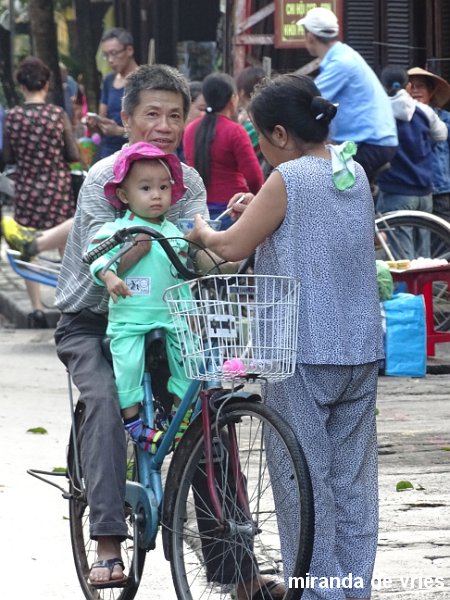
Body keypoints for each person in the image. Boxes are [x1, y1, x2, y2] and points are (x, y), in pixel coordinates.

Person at [53, 65, 276, 598]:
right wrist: (138, 251)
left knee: (209, 411)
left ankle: (236, 570)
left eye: (175, 115)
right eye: (151, 114)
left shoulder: (189, 181)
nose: (164, 125)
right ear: (126, 119)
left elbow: (195, 257)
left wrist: (234, 234)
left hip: (166, 317)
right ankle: (107, 541)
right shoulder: (101, 181)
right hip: (94, 322)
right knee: (105, 402)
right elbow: (96, 273)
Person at [187, 72, 384, 600]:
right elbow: (338, 236)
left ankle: (319, 592)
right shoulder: (352, 170)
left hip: (302, 349)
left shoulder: (290, 177)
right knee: (352, 482)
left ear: (278, 133)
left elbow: (227, 249)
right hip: (360, 345)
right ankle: (351, 589)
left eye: (257, 136)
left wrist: (202, 229)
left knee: (303, 484)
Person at [88, 142, 192, 455]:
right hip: (131, 317)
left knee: (192, 363)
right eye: (145, 188)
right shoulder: (118, 228)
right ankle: (133, 422)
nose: (156, 195)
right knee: (127, 366)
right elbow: (96, 259)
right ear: (124, 195)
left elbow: (188, 262)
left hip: (174, 315)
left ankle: (178, 418)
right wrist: (110, 275)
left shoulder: (174, 229)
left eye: (163, 187)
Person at [3, 56, 80, 327]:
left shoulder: (12, 116)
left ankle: (36, 309)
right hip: (56, 187)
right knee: (64, 244)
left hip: (26, 187)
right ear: (46, 84)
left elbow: (7, 156)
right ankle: (68, 301)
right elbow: (72, 153)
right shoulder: (57, 115)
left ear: (21, 86)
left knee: (28, 246)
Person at [297, 6, 398, 183]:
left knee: (322, 186)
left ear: (310, 37)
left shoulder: (341, 64)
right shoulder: (346, 56)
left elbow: (307, 98)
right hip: (375, 142)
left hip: (370, 145)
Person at [376, 66, 448, 259]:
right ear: (407, 86)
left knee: (402, 256)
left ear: (383, 87)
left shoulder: (378, 112)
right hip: (424, 192)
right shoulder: (425, 111)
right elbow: (441, 135)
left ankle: (407, 290)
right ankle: (424, 289)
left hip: (396, 191)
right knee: (423, 255)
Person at [183, 72, 264, 228]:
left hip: (199, 210)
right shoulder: (235, 131)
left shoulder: (190, 129)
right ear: (233, 98)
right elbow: (254, 176)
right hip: (233, 209)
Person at [87, 28, 138, 161]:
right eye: (106, 55)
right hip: (108, 152)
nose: (110, 60)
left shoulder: (143, 80)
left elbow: (149, 126)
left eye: (114, 53)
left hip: (134, 151)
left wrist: (120, 132)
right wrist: (95, 124)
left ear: (129, 51)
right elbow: (103, 116)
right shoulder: (109, 80)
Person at [408, 66, 450, 222]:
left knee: (443, 239)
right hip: (410, 189)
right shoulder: (401, 120)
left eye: (421, 86)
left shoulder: (445, 119)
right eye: (411, 86)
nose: (415, 91)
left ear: (431, 92)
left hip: (440, 189)